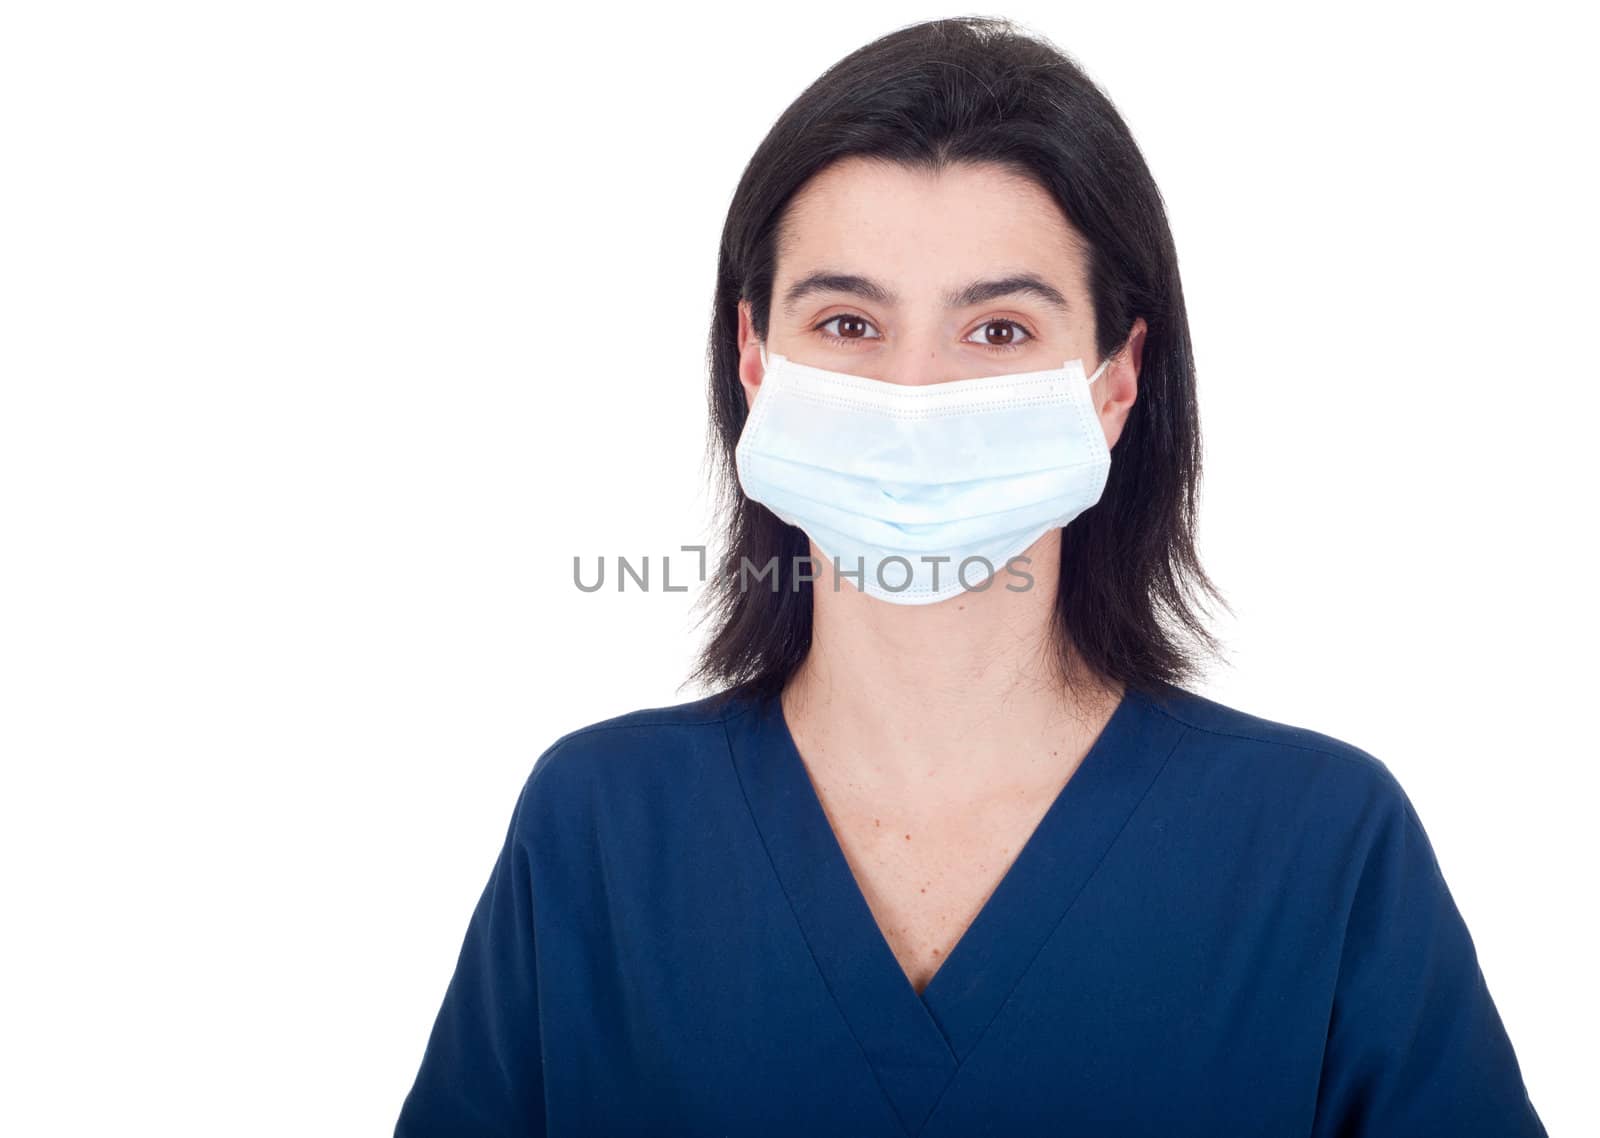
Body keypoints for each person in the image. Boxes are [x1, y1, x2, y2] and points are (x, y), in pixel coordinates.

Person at [394, 16, 1546, 1136]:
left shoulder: (1318, 848)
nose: (914, 400)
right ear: (754, 359)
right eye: (846, 323)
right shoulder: (601, 830)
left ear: (1115, 380)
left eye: (997, 332)